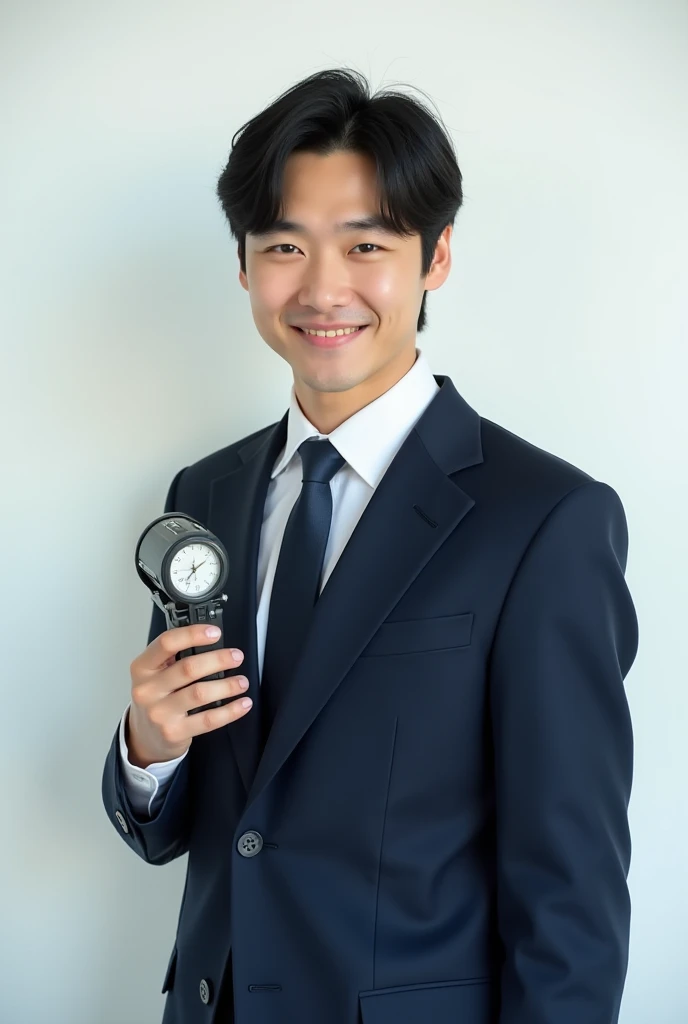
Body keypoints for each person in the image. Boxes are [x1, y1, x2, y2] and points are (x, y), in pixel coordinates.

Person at [101, 68, 639, 1024]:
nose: (321, 289)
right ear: (243, 265)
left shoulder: (545, 520)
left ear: (434, 259)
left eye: (366, 245)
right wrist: (151, 746)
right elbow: (188, 833)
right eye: (283, 246)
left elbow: (570, 895)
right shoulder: (206, 495)